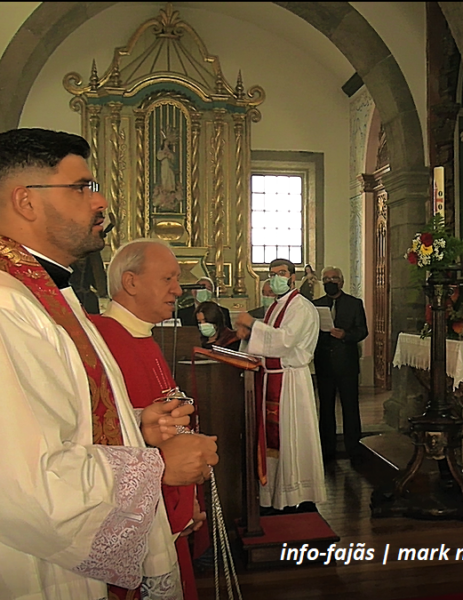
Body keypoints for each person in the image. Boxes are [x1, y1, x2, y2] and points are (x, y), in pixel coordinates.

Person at [0, 127, 217, 599]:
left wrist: (136, 427)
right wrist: (156, 468)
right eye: (82, 187)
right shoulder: (6, 304)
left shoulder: (49, 295)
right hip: (40, 567)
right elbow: (22, 487)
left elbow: (58, 421)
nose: (100, 202)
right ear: (26, 202)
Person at [90, 237, 215, 600]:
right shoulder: (105, 341)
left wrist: (187, 496)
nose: (178, 289)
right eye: (168, 279)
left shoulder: (141, 336)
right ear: (130, 282)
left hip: (167, 498)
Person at [234, 258, 326, 513]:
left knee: (292, 438)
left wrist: (253, 325)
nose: (276, 278)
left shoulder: (301, 307)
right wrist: (249, 334)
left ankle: (297, 494)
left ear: (293, 277)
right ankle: (274, 495)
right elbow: (267, 341)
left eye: (282, 273)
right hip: (273, 378)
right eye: (272, 274)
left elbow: (284, 341)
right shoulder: (275, 307)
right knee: (277, 441)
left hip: (292, 381)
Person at [312, 267, 369, 463]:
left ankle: (354, 447)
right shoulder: (315, 305)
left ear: (341, 281)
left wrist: (346, 335)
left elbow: (362, 330)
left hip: (347, 363)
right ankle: (326, 449)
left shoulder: (354, 304)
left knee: (350, 406)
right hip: (324, 363)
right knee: (326, 408)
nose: (330, 281)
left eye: (334, 278)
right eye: (326, 278)